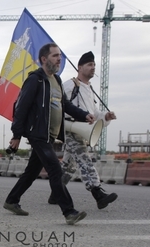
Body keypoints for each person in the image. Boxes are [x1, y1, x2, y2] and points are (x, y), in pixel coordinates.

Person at [3, 43, 93, 225]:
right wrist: (16, 135)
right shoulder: (35, 80)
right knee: (55, 169)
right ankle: (69, 211)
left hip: (49, 135)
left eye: (59, 55)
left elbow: (65, 105)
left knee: (31, 172)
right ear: (44, 59)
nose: (59, 59)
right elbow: (21, 107)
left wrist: (84, 115)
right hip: (37, 133)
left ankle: (12, 200)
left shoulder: (57, 81)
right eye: (54, 56)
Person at [49, 51, 118, 209]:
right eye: (89, 65)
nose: (93, 67)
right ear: (79, 67)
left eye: (94, 65)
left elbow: (94, 114)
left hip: (82, 131)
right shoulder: (70, 85)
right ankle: (97, 193)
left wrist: (105, 117)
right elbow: (57, 105)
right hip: (71, 129)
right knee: (84, 160)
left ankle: (56, 193)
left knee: (69, 165)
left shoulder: (89, 89)